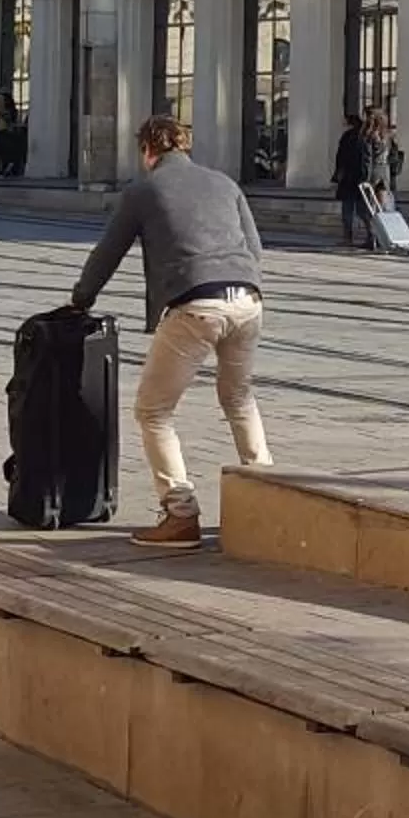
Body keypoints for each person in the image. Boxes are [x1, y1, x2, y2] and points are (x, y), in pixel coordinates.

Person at [72, 113, 272, 549]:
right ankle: (269, 499)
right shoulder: (223, 182)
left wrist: (80, 299)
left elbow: (108, 253)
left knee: (153, 411)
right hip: (248, 300)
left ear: (147, 151)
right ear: (185, 146)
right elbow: (255, 249)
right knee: (238, 397)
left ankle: (179, 514)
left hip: (197, 305)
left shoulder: (144, 190)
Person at [332, 110, 374, 251]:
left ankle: (348, 237)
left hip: (350, 178)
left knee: (349, 210)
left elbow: (341, 158)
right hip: (358, 178)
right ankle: (371, 235)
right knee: (362, 210)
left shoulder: (350, 137)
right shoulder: (363, 136)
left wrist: (338, 174)